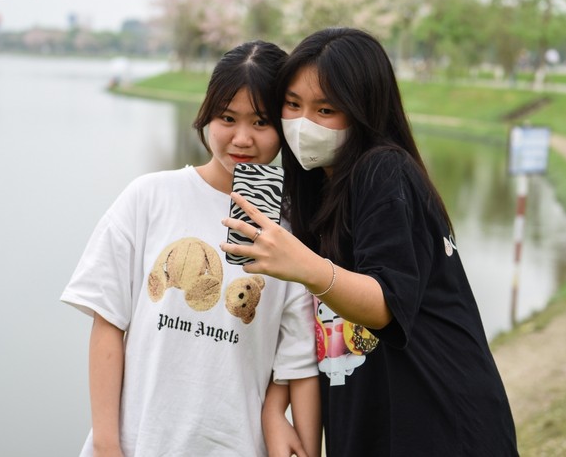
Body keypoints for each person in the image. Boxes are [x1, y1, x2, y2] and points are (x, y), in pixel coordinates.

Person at [222, 28, 519, 456]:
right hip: (371, 425)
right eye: (292, 105)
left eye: (325, 109)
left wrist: (303, 264)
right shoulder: (314, 190)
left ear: (364, 110)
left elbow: (385, 304)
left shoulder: (383, 171)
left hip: (440, 424)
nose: (303, 124)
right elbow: (298, 325)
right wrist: (275, 406)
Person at [61, 40, 320, 457]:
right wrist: (108, 445)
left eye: (260, 122)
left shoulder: (292, 235)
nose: (241, 138)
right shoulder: (149, 197)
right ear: (207, 115)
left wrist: (280, 415)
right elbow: (107, 321)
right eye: (227, 117)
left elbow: (296, 361)